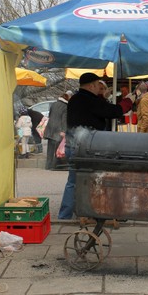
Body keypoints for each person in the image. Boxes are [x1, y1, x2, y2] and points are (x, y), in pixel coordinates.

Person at [58, 73, 124, 219]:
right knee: (87, 181)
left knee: (73, 182)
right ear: (91, 85)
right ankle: (87, 212)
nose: (98, 88)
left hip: (72, 145)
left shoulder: (75, 99)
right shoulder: (89, 100)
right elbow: (115, 111)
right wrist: (128, 101)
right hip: (84, 148)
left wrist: (104, 98)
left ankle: (66, 215)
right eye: (97, 85)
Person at [44, 90, 71, 170]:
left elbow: (50, 115)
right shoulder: (65, 107)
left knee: (50, 149)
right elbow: (64, 119)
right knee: (57, 149)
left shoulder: (53, 104)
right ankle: (54, 166)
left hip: (50, 128)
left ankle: (48, 165)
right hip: (58, 130)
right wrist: (63, 130)